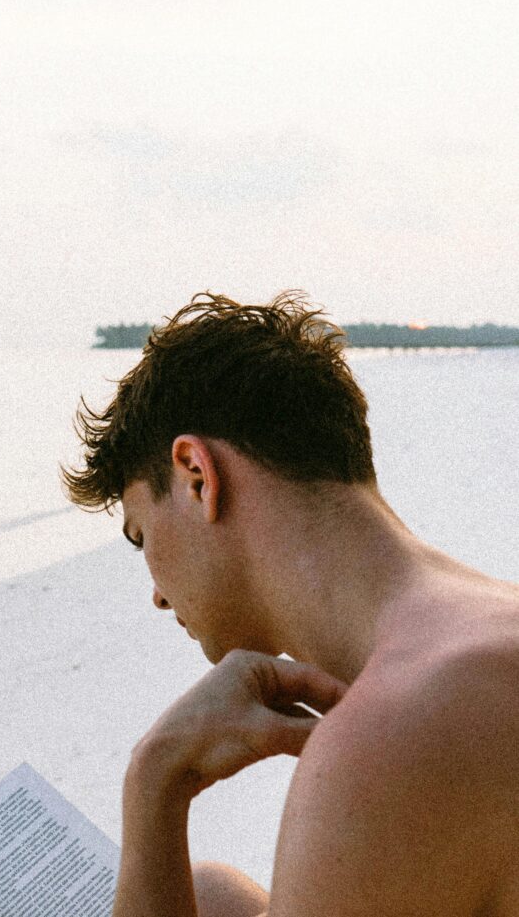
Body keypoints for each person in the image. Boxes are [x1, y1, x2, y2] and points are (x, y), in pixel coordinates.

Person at [61, 292, 519, 917]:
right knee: (213, 898)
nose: (159, 594)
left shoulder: (394, 735)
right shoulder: (476, 632)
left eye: (142, 536)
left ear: (196, 475)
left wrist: (155, 780)